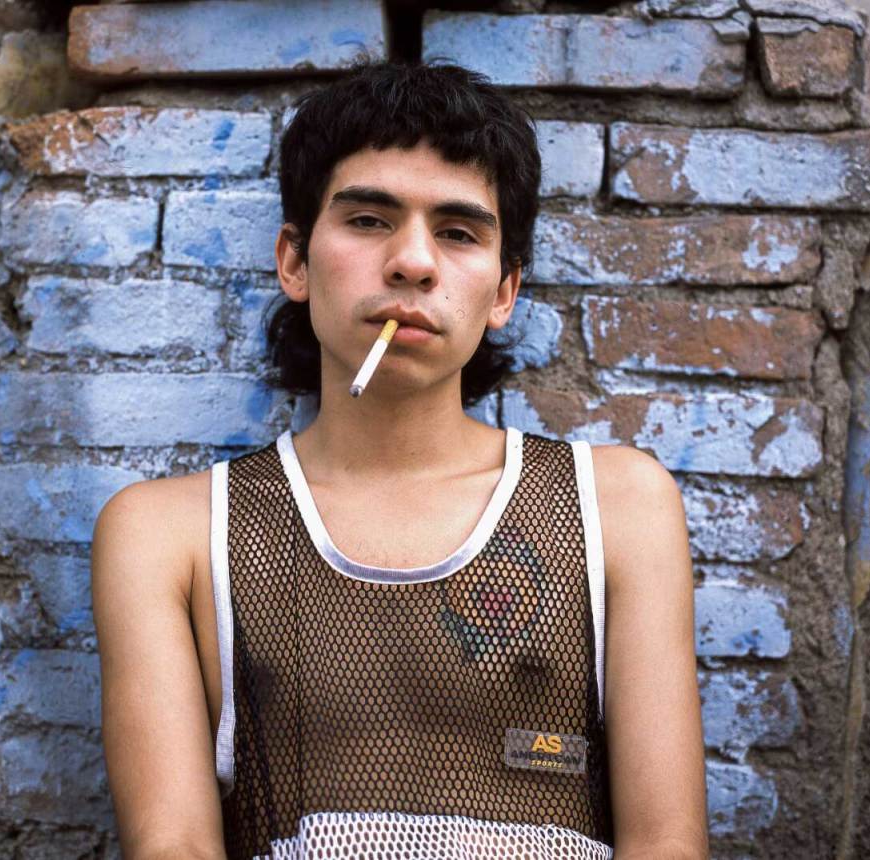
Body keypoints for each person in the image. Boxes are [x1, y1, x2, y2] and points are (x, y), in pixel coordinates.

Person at [91, 61, 710, 860]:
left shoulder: (614, 507)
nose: (413, 262)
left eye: (458, 233)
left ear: (503, 292)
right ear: (294, 262)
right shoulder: (168, 536)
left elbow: (668, 842)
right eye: (368, 220)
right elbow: (172, 842)